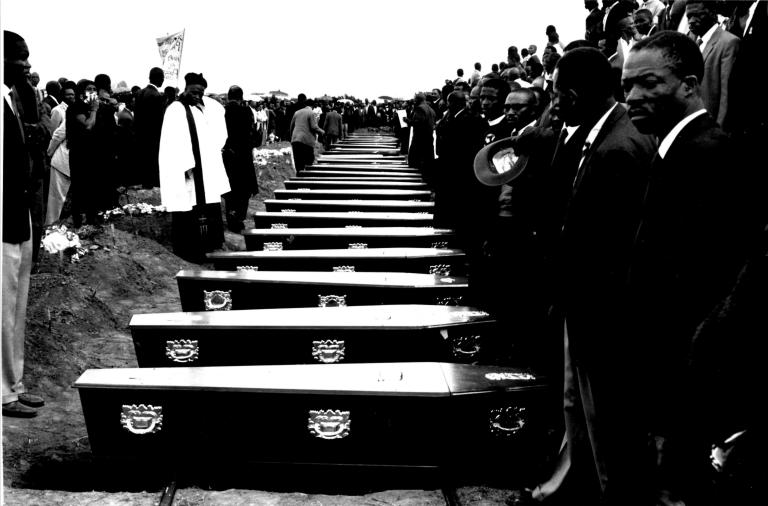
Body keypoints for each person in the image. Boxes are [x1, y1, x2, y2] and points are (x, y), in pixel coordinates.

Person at [622, 30, 760, 503]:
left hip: (686, 386)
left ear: (688, 84)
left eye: (649, 83)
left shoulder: (710, 155)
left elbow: (705, 286)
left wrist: (675, 401)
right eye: (627, 87)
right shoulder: (677, 150)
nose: (633, 97)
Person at [518, 47, 656, 505]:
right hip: (585, 303)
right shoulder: (599, 133)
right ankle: (572, 487)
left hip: (599, 309)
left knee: (604, 423)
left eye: (557, 93)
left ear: (573, 94)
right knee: (579, 409)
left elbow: (610, 247)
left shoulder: (618, 147)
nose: (554, 102)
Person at [3, 30, 45, 418]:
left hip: (20, 217)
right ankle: (3, 393)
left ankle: (14, 384)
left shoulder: (14, 98)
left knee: (16, 308)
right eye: (20, 57)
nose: (28, 65)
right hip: (5, 221)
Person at [158, 72, 230, 263]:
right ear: (186, 89)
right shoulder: (175, 109)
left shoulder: (199, 109)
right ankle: (190, 251)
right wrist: (186, 164)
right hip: (187, 171)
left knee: (207, 205)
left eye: (201, 93)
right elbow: (173, 141)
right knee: (188, 208)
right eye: (195, 92)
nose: (197, 96)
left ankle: (210, 245)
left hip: (204, 170)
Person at [685, 0, 740, 130]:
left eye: (698, 15)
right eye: (689, 16)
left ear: (713, 14)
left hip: (712, 127)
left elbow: (726, 94)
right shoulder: (692, 42)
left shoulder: (729, 42)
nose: (691, 20)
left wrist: (719, 130)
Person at [222, 85, 257, 234]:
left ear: (229, 96)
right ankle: (239, 219)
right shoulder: (246, 111)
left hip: (229, 155)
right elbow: (252, 133)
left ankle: (231, 218)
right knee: (243, 189)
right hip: (244, 156)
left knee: (230, 188)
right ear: (241, 97)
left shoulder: (222, 112)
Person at [45, 81, 76, 225]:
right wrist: (49, 154)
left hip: (72, 161)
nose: (71, 97)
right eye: (68, 94)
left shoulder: (75, 110)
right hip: (61, 159)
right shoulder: (59, 110)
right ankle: (51, 227)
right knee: (56, 200)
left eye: (73, 94)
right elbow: (55, 134)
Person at [134, 67, 165, 189]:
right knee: (152, 162)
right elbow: (159, 120)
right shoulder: (156, 95)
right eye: (162, 78)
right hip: (153, 136)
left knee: (144, 161)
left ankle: (145, 183)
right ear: (159, 78)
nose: (163, 81)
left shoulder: (140, 93)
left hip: (140, 134)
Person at [290, 94, 323, 172]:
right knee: (308, 163)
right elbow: (314, 127)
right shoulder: (311, 113)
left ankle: (298, 180)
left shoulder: (297, 112)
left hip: (295, 140)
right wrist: (322, 132)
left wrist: (292, 137)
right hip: (306, 141)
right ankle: (306, 181)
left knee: (298, 163)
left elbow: (291, 126)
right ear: (312, 106)